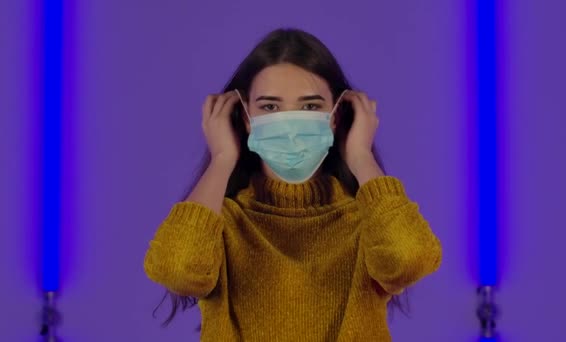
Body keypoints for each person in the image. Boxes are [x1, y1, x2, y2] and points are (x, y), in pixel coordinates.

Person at [144, 28, 442, 341]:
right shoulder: (222, 223)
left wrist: (361, 156)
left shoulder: (370, 221)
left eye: (310, 106)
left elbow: (409, 260)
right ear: (246, 117)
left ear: (336, 115)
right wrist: (221, 159)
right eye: (270, 107)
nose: (289, 124)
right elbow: (175, 270)